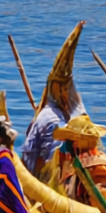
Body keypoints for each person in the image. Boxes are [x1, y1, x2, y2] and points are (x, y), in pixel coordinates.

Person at [21, 23, 86, 174]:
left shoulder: (45, 116)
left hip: (50, 177)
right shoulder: (73, 117)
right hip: (63, 173)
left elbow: (28, 154)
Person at [50, 114, 106, 211]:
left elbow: (105, 202)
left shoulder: (94, 168)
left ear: (74, 143)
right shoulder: (89, 160)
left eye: (67, 141)